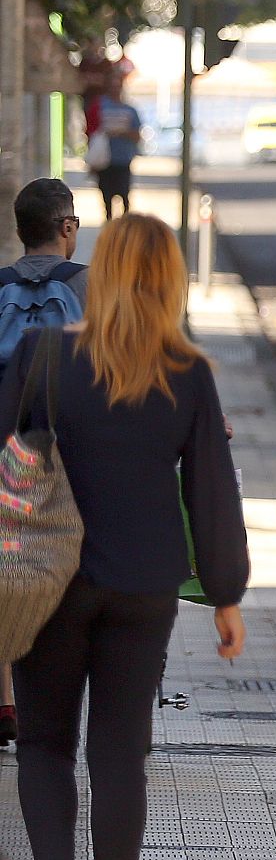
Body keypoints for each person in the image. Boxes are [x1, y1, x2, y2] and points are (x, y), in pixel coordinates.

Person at [0, 213, 249, 860]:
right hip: (144, 585)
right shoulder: (188, 372)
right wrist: (226, 594)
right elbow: (211, 489)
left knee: (44, 744)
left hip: (50, 580)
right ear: (171, 282)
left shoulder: (44, 354)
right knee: (119, 756)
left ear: (100, 273)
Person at [0, 180, 88, 751]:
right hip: (73, 448)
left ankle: (5, 700)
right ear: (67, 227)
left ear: (19, 230)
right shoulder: (90, 284)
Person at [90, 82, 142, 220]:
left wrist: (122, 133)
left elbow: (137, 135)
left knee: (124, 194)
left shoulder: (130, 110)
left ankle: (124, 222)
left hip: (123, 160)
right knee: (106, 196)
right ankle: (109, 222)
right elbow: (91, 132)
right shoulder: (99, 107)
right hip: (104, 160)